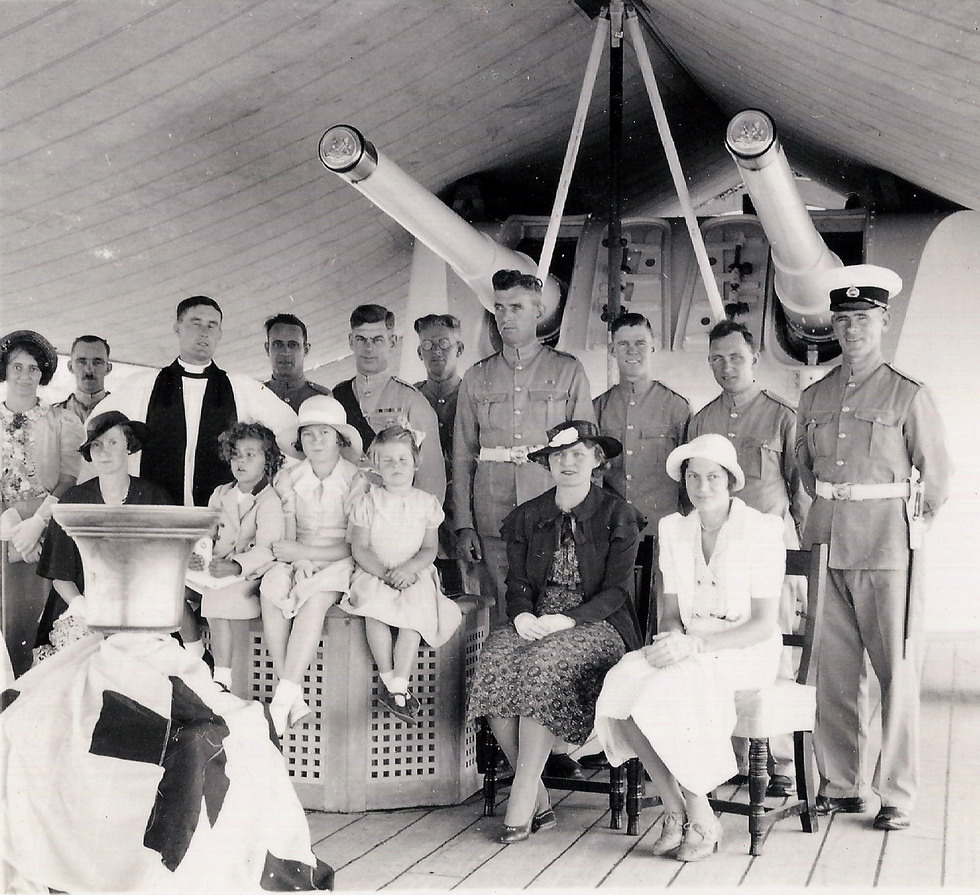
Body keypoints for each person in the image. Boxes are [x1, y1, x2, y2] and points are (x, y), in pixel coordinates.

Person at [797, 265, 951, 832]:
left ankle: (897, 792)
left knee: (896, 674)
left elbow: (936, 482)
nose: (851, 328)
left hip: (888, 550)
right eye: (842, 319)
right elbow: (805, 473)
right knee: (834, 675)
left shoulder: (908, 394)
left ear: (883, 321)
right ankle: (842, 785)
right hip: (827, 545)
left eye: (862, 318)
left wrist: (905, 536)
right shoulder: (815, 397)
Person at [594, 434, 784, 862]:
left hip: (743, 648)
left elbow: (762, 624)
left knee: (676, 686)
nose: (702, 486)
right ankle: (675, 807)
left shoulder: (762, 530)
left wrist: (693, 646)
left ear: (731, 480)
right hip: (687, 644)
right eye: (693, 477)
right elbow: (670, 613)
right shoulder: (674, 530)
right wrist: (672, 641)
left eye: (713, 476)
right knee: (621, 683)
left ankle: (701, 813)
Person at [467, 421, 644, 842]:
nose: (567, 463)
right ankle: (541, 801)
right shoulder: (529, 516)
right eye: (559, 456)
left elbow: (617, 591)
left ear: (597, 461)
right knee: (496, 655)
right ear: (547, 462)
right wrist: (523, 615)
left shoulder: (618, 515)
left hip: (597, 625)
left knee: (545, 663)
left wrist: (569, 619)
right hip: (538, 621)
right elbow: (518, 585)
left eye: (578, 455)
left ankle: (523, 792)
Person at [96, 296, 296, 658]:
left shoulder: (239, 387)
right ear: (177, 328)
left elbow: (289, 435)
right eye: (195, 323)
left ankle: (213, 670)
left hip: (220, 529)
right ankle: (186, 658)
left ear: (220, 333)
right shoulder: (145, 384)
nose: (204, 332)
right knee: (158, 591)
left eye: (212, 325)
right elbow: (98, 434)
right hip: (163, 515)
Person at [688, 318, 810, 795]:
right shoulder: (701, 420)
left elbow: (800, 492)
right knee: (721, 645)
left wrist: (798, 557)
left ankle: (779, 764)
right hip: (719, 559)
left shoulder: (783, 416)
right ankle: (730, 759)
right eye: (716, 359)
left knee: (774, 652)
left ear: (754, 357)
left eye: (735, 357)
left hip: (770, 556)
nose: (726, 366)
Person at [340, 426, 463, 723]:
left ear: (416, 463)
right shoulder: (367, 502)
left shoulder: (426, 504)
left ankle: (399, 684)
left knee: (415, 614)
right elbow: (361, 548)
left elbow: (429, 548)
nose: (396, 466)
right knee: (375, 610)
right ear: (375, 465)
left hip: (413, 571)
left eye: (402, 460)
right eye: (388, 461)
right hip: (375, 570)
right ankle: (389, 680)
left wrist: (408, 570)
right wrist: (384, 574)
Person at [261, 395, 367, 736]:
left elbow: (352, 545)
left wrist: (305, 554)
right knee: (271, 588)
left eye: (325, 433)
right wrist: (300, 559)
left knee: (316, 599)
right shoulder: (289, 476)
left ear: (340, 439)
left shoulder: (356, 479)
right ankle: (292, 698)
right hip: (299, 558)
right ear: (299, 440)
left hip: (340, 561)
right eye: (308, 434)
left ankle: (281, 699)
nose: (316, 441)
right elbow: (289, 536)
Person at [34, 411, 174, 661]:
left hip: (139, 612)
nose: (104, 452)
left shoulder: (154, 497)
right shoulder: (73, 500)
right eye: (96, 445)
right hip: (80, 608)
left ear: (128, 446)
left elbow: (165, 569)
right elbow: (59, 577)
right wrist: (86, 611)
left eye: (113, 443)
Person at [0, 330, 85, 676]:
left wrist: (37, 525)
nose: (24, 375)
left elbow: (68, 479)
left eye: (33, 368)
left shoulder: (61, 419)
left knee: (25, 623)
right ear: (5, 369)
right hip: (3, 524)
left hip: (44, 524)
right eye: (17, 366)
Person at [186, 422, 287, 697]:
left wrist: (234, 566)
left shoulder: (270, 501)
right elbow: (205, 534)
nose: (241, 461)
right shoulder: (221, 493)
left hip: (249, 573)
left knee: (218, 598)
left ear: (268, 460)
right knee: (170, 587)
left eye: (250, 455)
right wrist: (198, 555)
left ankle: (222, 677)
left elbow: (267, 549)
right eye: (236, 454)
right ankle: (194, 652)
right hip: (216, 567)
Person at [332, 304, 445, 501]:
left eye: (377, 340)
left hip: (393, 517)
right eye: (361, 339)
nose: (369, 348)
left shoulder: (412, 401)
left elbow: (430, 483)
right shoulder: (336, 397)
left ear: (392, 342)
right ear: (351, 341)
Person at [593, 312, 690, 532]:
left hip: (662, 530)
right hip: (610, 528)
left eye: (640, 343)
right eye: (623, 344)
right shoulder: (597, 408)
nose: (632, 350)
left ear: (653, 347)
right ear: (612, 350)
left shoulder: (677, 407)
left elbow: (688, 472)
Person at [413, 313, 467, 595]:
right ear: (418, 351)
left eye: (444, 344)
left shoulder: (473, 396)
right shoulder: (411, 397)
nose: (435, 352)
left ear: (459, 348)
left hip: (464, 511)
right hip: (425, 513)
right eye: (427, 345)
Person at [262, 313, 332, 412]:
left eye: (293, 345)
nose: (285, 352)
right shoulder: (255, 396)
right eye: (278, 344)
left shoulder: (322, 398)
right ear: (267, 349)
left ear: (306, 350)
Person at [53, 334, 113, 425]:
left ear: (108, 368)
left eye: (97, 362)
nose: (89, 370)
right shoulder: (52, 415)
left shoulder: (124, 411)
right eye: (81, 362)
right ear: (70, 367)